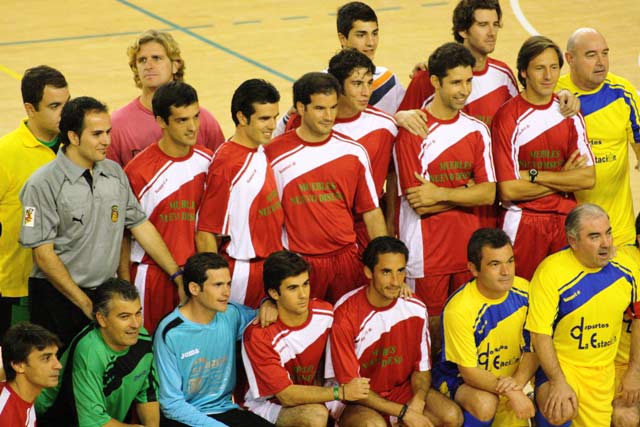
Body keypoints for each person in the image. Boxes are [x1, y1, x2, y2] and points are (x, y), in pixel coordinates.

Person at [19, 96, 183, 348]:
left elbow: (139, 225)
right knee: (59, 378)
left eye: (108, 132)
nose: (106, 140)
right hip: (58, 298)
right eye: (97, 134)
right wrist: (85, 303)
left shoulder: (114, 172)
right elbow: (43, 255)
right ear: (73, 137)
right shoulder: (42, 184)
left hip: (102, 297)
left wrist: (177, 275)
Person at [394, 42, 495, 356]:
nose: (464, 90)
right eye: (455, 82)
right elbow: (418, 201)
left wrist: (440, 192)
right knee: (432, 332)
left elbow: (490, 193)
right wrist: (467, 193)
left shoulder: (477, 130)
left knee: (467, 326)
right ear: (435, 82)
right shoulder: (414, 130)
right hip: (426, 254)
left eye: (468, 81)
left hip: (465, 249)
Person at [265, 72, 387, 304]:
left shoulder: (353, 151)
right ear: (301, 108)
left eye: (333, 108)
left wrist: (385, 263)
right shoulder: (273, 155)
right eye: (320, 108)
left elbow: (371, 211)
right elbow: (267, 219)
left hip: (347, 260)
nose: (329, 116)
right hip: (300, 264)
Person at [326, 236, 462, 427]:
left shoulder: (415, 307)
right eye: (386, 272)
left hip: (400, 390)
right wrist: (405, 412)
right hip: (356, 400)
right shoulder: (345, 315)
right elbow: (353, 389)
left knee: (451, 416)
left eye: (400, 271)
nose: (395, 281)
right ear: (368, 272)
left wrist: (419, 399)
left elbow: (421, 369)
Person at [525, 204, 640, 427]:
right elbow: (540, 336)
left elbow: (638, 320)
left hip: (604, 373)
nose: (606, 243)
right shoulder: (550, 273)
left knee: (627, 419)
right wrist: (557, 381)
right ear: (573, 241)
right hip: (562, 368)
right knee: (560, 409)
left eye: (608, 233)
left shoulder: (627, 268)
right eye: (594, 236)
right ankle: (540, 408)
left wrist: (635, 372)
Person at [492, 35, 595, 280]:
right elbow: (508, 190)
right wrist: (563, 179)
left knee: (564, 297)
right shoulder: (507, 118)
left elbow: (588, 178)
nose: (548, 76)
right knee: (521, 295)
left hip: (565, 220)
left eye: (554, 68)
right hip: (522, 222)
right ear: (524, 72)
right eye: (540, 68)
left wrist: (536, 176)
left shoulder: (569, 112)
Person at [280, 49, 398, 247]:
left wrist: (391, 222)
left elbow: (394, 176)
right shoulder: (305, 122)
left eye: (369, 83)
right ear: (338, 87)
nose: (366, 92)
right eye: (357, 84)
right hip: (317, 230)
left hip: (367, 226)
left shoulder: (386, 125)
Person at [242, 250, 370, 426]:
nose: (303, 295)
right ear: (274, 293)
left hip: (317, 392)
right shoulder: (258, 335)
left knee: (368, 421)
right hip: (269, 405)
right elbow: (286, 395)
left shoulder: (325, 313)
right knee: (315, 415)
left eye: (306, 284)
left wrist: (398, 289)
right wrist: (340, 392)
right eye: (292, 288)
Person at [123, 81, 212, 333]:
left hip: (196, 277)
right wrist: (126, 286)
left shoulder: (208, 161)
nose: (192, 126)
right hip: (151, 278)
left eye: (196, 117)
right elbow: (124, 237)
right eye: (182, 120)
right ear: (161, 121)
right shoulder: (137, 171)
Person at [153, 252, 276, 427]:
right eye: (218, 285)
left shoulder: (230, 314)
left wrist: (268, 302)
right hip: (182, 416)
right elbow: (171, 404)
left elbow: (263, 315)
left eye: (228, 284)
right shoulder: (170, 332)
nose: (226, 292)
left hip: (224, 409)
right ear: (194, 288)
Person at [433, 228, 536, 426]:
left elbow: (536, 345)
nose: (506, 272)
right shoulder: (460, 309)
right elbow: (469, 372)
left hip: (509, 376)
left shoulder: (525, 290)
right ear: (473, 268)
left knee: (558, 396)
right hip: (459, 377)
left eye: (510, 261)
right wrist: (512, 391)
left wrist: (518, 382)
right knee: (485, 403)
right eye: (495, 264)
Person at [196, 79, 284, 308]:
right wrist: (215, 289)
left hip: (268, 267)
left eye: (275, 117)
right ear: (242, 118)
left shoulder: (258, 148)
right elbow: (206, 232)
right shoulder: (226, 166)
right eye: (264, 118)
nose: (272, 125)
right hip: (245, 275)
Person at [0, 66, 69, 340]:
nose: (64, 113)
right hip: (18, 288)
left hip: (66, 283)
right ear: (30, 109)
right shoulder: (6, 153)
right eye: (54, 106)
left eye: (67, 103)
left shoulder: (75, 146)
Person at [557, 28, 640, 252]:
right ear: (570, 59)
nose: (601, 62)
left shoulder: (623, 93)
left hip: (619, 234)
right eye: (591, 55)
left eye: (605, 53)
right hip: (568, 235)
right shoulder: (553, 97)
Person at [36, 279, 159, 427]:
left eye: (138, 313)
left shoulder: (142, 338)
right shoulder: (89, 351)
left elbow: (147, 395)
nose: (135, 324)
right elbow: (92, 422)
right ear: (102, 319)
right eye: (124, 316)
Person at [273, 1, 405, 137]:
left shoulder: (388, 81)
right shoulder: (317, 87)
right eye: (361, 35)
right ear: (343, 38)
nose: (371, 42)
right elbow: (280, 137)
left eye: (375, 33)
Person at [107, 29, 224, 167]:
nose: (148, 66)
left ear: (175, 65)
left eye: (157, 58)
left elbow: (222, 169)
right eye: (142, 60)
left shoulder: (204, 120)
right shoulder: (118, 125)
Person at [0, 323, 61, 426]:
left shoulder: (24, 401)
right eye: (46, 358)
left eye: (55, 356)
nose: (58, 365)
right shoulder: (4, 414)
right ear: (19, 365)